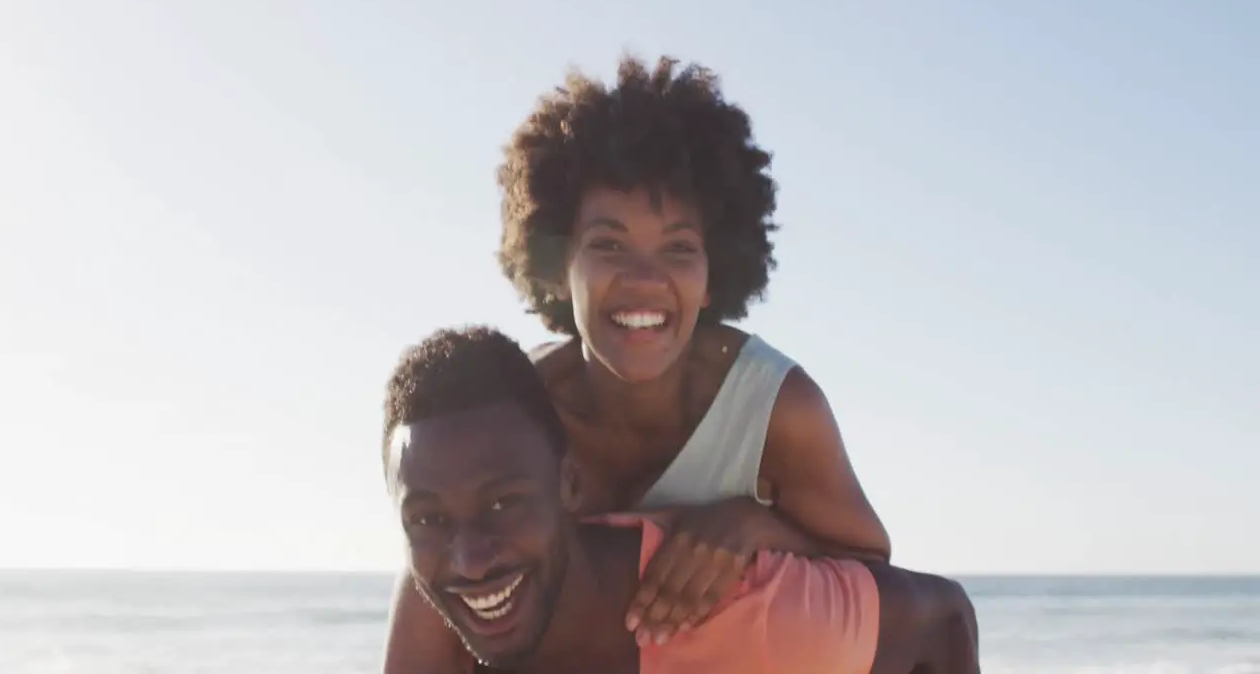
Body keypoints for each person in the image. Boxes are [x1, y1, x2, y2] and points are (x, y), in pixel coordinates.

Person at [383, 54, 893, 672]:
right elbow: (442, 567)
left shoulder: (777, 411)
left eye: (678, 248)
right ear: (558, 265)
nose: (644, 280)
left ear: (714, 276)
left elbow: (874, 577)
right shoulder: (519, 408)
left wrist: (753, 527)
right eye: (609, 245)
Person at [383, 326, 980, 674]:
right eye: (428, 519)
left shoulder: (742, 613)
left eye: (501, 504)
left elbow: (943, 616)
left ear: (569, 485)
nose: (469, 559)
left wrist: (762, 527)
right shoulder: (441, 614)